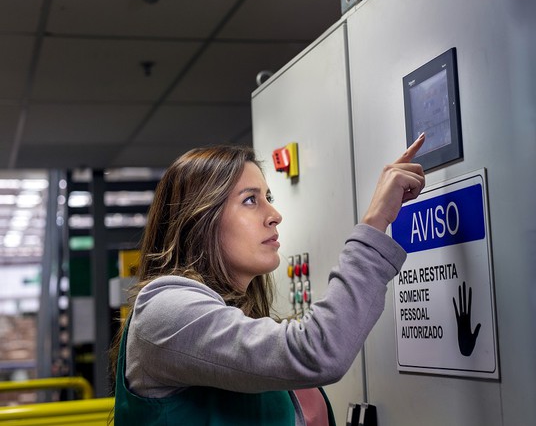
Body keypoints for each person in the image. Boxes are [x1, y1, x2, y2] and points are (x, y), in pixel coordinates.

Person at [110, 134, 425, 425]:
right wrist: (375, 223)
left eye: (268, 197)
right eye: (250, 200)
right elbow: (318, 351)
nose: (275, 214)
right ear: (200, 219)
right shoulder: (164, 312)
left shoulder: (239, 319)